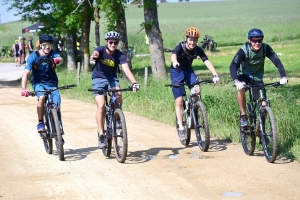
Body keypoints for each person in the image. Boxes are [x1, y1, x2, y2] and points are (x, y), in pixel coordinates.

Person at [90, 31, 140, 148]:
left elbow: (126, 70)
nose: (113, 44)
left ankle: (117, 117)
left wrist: (134, 83)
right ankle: (101, 135)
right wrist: (94, 57)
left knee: (118, 95)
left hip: (112, 79)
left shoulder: (119, 55)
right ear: (106, 42)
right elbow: (96, 53)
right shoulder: (101, 50)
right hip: (98, 79)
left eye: (116, 43)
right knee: (101, 105)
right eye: (111, 42)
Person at [229, 28, 288, 127]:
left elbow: (277, 62)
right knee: (242, 88)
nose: (257, 43)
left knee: (264, 103)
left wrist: (283, 77)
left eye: (259, 40)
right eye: (254, 40)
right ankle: (243, 115)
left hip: (257, 78)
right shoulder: (243, 50)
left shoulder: (265, 48)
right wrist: (236, 81)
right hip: (243, 75)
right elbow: (233, 65)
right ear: (249, 41)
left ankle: (262, 131)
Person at [170, 27, 220, 141]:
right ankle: (181, 128)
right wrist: (175, 62)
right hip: (176, 71)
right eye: (190, 39)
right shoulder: (181, 46)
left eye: (195, 40)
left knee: (197, 90)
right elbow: (173, 55)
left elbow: (207, 62)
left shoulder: (197, 50)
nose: (192, 42)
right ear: (187, 39)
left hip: (188, 70)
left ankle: (195, 108)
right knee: (179, 101)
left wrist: (215, 75)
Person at [20, 34, 64, 137]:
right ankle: (40, 122)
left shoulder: (53, 53)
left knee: (57, 106)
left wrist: (58, 61)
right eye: (45, 45)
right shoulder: (33, 56)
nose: (47, 47)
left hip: (52, 83)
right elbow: (26, 73)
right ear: (40, 45)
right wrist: (23, 88)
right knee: (42, 98)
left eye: (49, 45)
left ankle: (59, 131)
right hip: (38, 83)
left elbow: (60, 59)